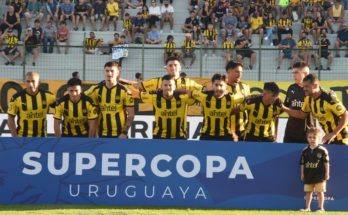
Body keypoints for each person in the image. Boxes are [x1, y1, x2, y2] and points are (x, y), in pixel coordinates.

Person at [282, 74, 348, 145]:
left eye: (307, 86)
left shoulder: (329, 99)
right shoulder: (308, 99)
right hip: (329, 138)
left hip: (343, 138)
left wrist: (334, 133)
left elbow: (345, 115)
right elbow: (301, 115)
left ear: (315, 86)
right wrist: (283, 107)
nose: (304, 89)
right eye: (303, 86)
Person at [85, 61, 135, 138]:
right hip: (101, 134)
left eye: (112, 71)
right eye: (107, 71)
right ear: (104, 72)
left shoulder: (125, 91)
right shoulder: (96, 90)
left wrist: (124, 132)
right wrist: (96, 133)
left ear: (118, 73)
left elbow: (131, 114)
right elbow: (95, 114)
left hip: (120, 135)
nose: (109, 74)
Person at [138, 74, 196, 139]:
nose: (168, 87)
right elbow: (135, 93)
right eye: (165, 85)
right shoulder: (155, 97)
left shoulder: (183, 98)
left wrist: (184, 91)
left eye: (170, 85)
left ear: (174, 87)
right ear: (161, 87)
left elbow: (198, 93)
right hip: (159, 136)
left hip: (179, 137)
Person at [189, 73, 244, 141]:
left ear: (226, 86)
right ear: (212, 85)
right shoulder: (204, 96)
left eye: (221, 85)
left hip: (225, 136)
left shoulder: (231, 98)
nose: (218, 88)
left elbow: (245, 98)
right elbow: (190, 93)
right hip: (207, 135)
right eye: (216, 85)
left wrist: (235, 110)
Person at [7, 72, 56, 137]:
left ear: (39, 82)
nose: (30, 84)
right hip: (22, 138)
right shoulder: (16, 98)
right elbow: (10, 118)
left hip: (42, 138)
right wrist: (15, 138)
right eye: (28, 81)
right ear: (24, 82)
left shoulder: (48, 96)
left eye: (33, 81)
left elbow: (61, 109)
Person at [123, 56, 203, 92]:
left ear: (180, 67)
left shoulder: (189, 82)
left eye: (175, 65)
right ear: (166, 68)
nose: (173, 67)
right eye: (170, 65)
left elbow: (204, 89)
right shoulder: (157, 81)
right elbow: (138, 85)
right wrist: (119, 80)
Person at [300, 127, 330, 212]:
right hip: (308, 174)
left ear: (319, 138)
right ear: (307, 138)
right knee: (308, 192)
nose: (312, 139)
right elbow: (302, 163)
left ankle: (321, 208)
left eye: (314, 137)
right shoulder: (305, 151)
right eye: (310, 137)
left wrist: (327, 173)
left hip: (319, 175)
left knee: (320, 192)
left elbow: (326, 162)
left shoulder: (322, 150)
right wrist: (302, 173)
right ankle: (307, 208)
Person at [283, 62, 314, 143]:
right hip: (290, 132)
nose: (293, 75)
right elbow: (285, 106)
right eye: (293, 72)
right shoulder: (291, 88)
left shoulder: (313, 91)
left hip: (308, 133)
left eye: (296, 72)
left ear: (305, 73)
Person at [225, 60, 250, 141]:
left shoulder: (245, 87)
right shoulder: (221, 87)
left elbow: (249, 107)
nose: (239, 75)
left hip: (242, 131)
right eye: (237, 72)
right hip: (225, 131)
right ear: (229, 71)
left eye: (241, 72)